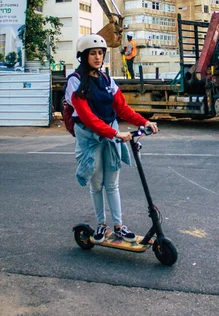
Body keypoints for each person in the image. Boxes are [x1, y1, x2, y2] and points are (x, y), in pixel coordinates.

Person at [65, 34, 158, 243]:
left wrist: (144, 122)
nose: (97, 57)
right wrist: (114, 133)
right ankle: (101, 225)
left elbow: (122, 108)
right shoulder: (75, 81)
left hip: (111, 134)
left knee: (112, 183)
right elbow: (87, 117)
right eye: (92, 53)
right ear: (83, 56)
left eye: (100, 53)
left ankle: (118, 226)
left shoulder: (107, 79)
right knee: (97, 184)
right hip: (91, 138)